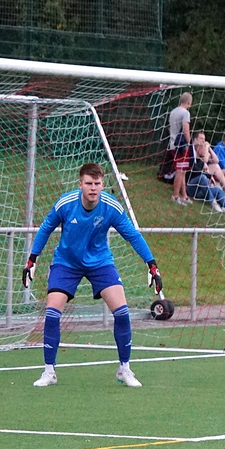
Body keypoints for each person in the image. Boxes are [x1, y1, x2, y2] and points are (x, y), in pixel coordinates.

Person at [21, 163, 162, 388]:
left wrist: (151, 264)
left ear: (102, 185)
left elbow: (132, 235)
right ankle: (49, 372)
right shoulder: (66, 203)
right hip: (66, 263)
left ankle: (124, 369)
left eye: (97, 183)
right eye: (89, 183)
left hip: (100, 263)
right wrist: (32, 259)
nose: (93, 188)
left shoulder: (111, 207)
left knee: (122, 312)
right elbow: (46, 228)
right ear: (80, 185)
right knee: (52, 313)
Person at [157, 92, 193, 205]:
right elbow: (186, 130)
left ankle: (184, 196)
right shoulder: (185, 113)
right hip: (181, 146)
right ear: (189, 102)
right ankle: (175, 196)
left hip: (172, 144)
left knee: (183, 170)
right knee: (180, 170)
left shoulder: (173, 112)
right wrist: (190, 143)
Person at [188, 134, 225, 217]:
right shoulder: (192, 156)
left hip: (200, 190)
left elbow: (216, 161)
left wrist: (209, 150)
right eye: (203, 147)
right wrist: (208, 175)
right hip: (191, 188)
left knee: (217, 190)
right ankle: (213, 203)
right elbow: (196, 171)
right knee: (202, 177)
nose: (203, 142)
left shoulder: (201, 160)